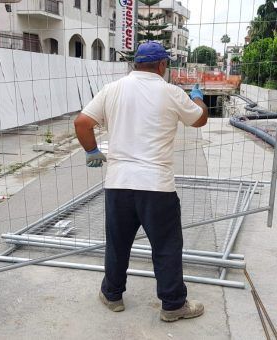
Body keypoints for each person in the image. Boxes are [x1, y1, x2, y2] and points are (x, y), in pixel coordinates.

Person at [73, 41, 209, 322]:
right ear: (162, 66)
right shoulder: (171, 93)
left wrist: (92, 151)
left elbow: (81, 123)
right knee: (166, 245)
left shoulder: (112, 89)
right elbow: (200, 121)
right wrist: (197, 98)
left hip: (119, 182)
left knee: (118, 243)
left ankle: (112, 296)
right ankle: (172, 306)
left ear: (136, 64)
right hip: (157, 186)